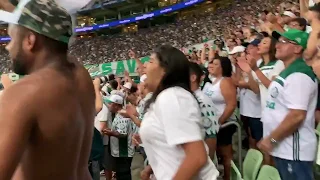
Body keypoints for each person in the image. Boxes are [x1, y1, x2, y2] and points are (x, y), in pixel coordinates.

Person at [0, 0, 97, 180]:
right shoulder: (81, 80)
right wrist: (23, 12)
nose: (8, 46)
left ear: (30, 40)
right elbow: (56, 43)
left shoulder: (24, 93)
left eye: (12, 38)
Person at [139, 45, 219, 179]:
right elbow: (172, 146)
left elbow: (197, 156)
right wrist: (150, 168)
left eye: (151, 61)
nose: (144, 66)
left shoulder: (172, 97)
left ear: (165, 71)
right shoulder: (164, 97)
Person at [258, 29, 317, 180]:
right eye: (279, 41)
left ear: (297, 48)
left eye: (284, 42)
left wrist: (272, 139)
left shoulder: (299, 75)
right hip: (285, 148)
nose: (277, 45)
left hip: (293, 150)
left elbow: (297, 115)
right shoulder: (289, 71)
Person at [202, 57, 237, 180]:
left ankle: (228, 177)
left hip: (225, 123)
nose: (211, 65)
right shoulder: (213, 81)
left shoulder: (225, 82)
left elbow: (231, 104)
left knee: (225, 154)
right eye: (211, 63)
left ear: (223, 67)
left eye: (215, 64)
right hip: (214, 124)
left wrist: (220, 121)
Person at [189, 62, 219, 160]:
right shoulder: (188, 97)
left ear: (193, 78)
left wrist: (207, 162)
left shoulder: (202, 101)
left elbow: (211, 136)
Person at [103, 94, 134, 180]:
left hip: (123, 152)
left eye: (110, 104)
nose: (108, 106)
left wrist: (111, 133)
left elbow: (122, 134)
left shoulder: (122, 116)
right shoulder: (119, 114)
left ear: (116, 105)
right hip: (119, 152)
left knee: (123, 174)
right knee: (120, 174)